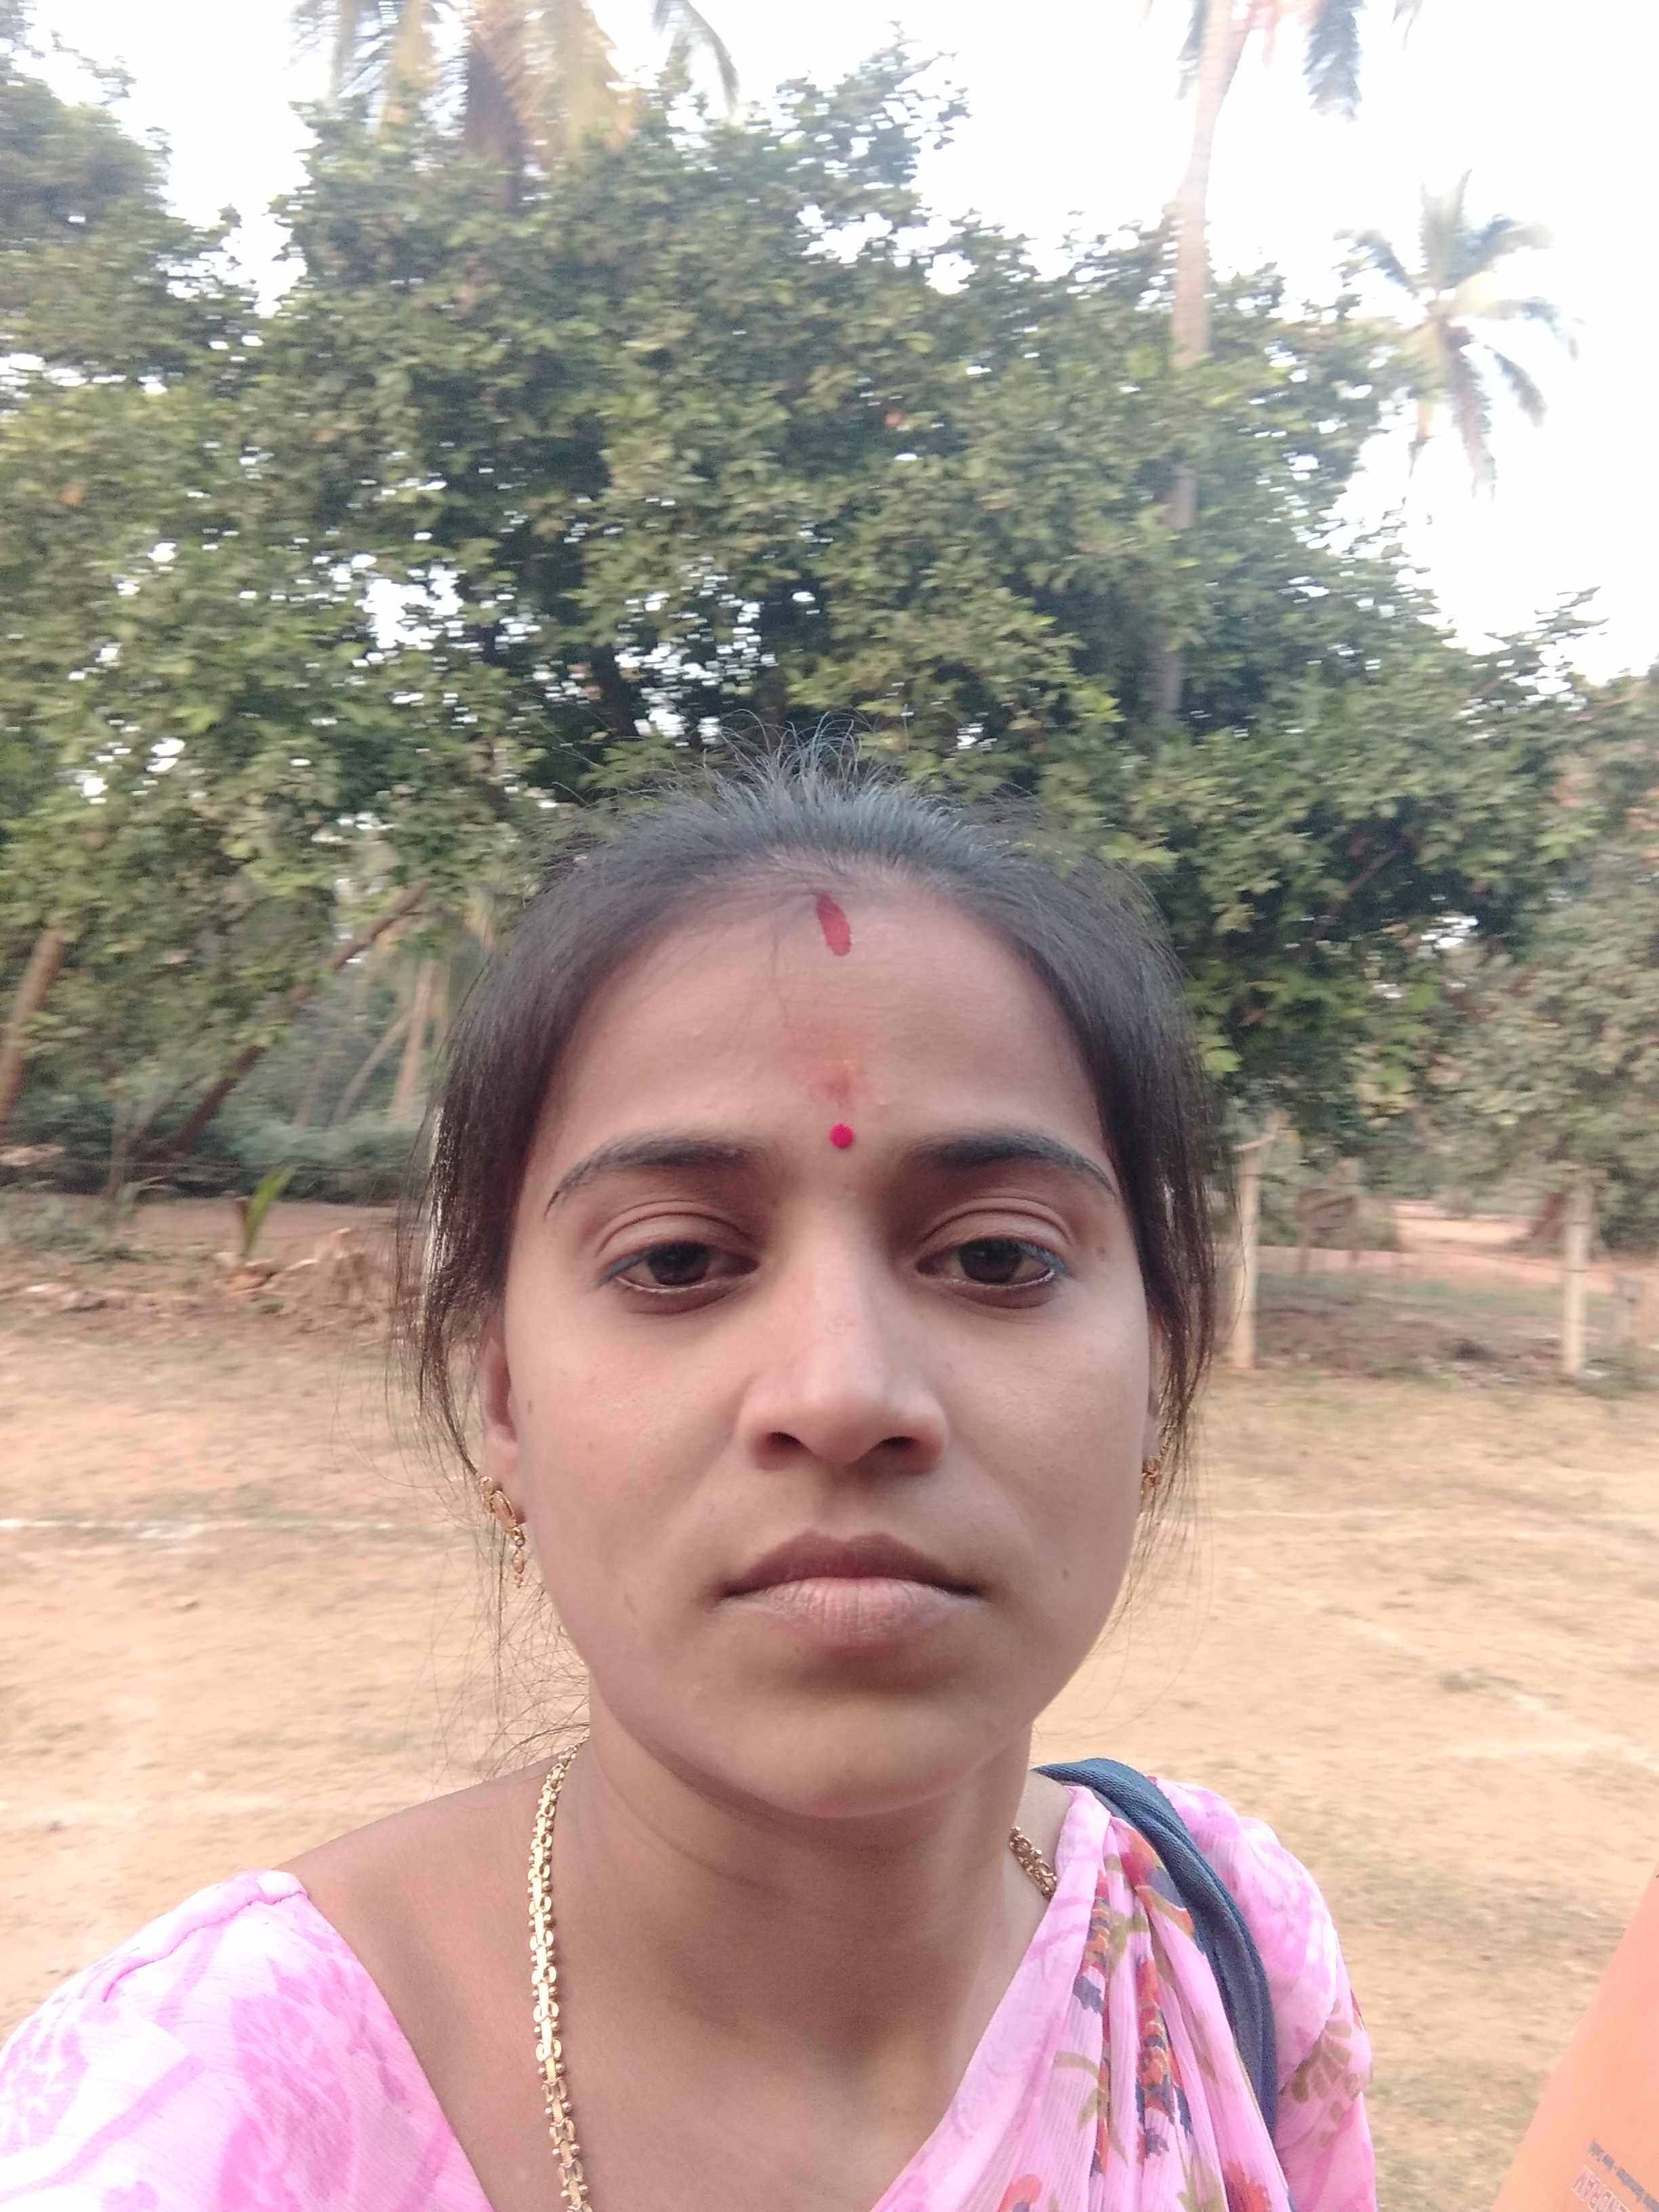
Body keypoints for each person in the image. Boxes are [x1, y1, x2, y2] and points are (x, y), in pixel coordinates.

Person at [0, 760, 1374, 2211]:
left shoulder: (1224, 1954)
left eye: (996, 1257)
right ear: (506, 1403)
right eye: (674, 1260)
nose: (843, 1394)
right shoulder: (198, 2120)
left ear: (1158, 1372)